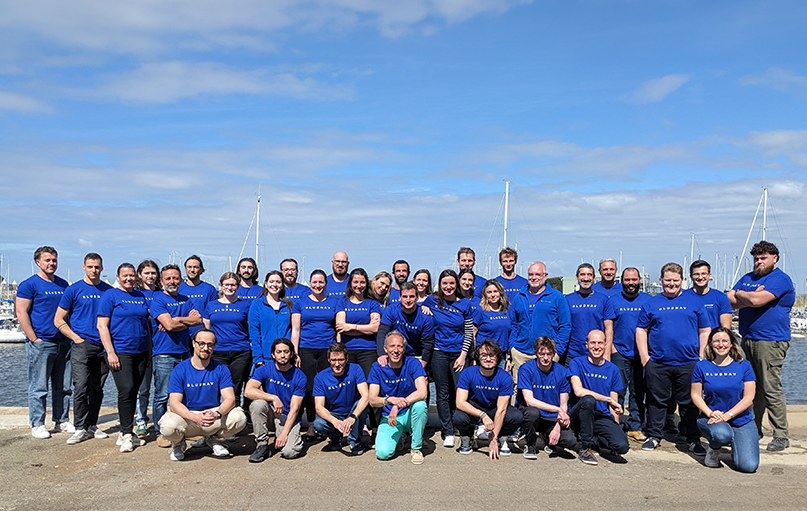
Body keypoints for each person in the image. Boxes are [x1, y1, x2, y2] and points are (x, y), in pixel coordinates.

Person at [728, 240, 795, 452]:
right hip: (747, 338)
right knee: (749, 386)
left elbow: (757, 302)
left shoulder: (781, 279)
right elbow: (730, 299)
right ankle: (753, 430)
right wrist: (748, 296)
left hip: (771, 341)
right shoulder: (748, 278)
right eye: (756, 258)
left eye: (763, 258)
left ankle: (781, 435)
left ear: (775, 258)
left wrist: (744, 296)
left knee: (769, 387)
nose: (759, 262)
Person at [636, 262, 710, 453]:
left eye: (675, 281)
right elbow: (641, 330)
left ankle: (692, 438)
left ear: (682, 280)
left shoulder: (694, 302)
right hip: (658, 363)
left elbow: (704, 330)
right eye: (668, 280)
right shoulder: (651, 303)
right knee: (656, 401)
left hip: (688, 362)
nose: (671, 284)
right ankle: (654, 435)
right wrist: (645, 357)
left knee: (689, 402)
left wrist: (701, 355)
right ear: (661, 280)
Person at [159, 329, 247, 461]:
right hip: (188, 416)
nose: (205, 348)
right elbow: (174, 403)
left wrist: (217, 413)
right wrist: (195, 417)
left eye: (210, 344)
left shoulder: (221, 369)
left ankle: (215, 440)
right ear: (193, 343)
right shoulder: (180, 369)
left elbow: (230, 399)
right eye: (201, 343)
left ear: (214, 346)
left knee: (239, 418)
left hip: (212, 415)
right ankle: (178, 444)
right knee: (168, 427)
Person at [54, 253, 113, 444]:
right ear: (84, 267)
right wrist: (75, 338)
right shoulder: (74, 290)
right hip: (82, 345)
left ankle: (92, 425)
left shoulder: (108, 291)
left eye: (97, 267)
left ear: (102, 268)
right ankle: (79, 427)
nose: (94, 270)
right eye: (90, 267)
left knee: (97, 388)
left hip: (103, 346)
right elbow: (58, 319)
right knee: (80, 386)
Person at [16, 246, 72, 439]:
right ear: (38, 262)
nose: (51, 264)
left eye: (54, 260)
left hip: (64, 342)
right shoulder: (29, 284)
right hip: (42, 342)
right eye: (47, 260)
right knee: (39, 386)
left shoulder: (64, 284)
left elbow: (68, 312)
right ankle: (38, 423)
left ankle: (62, 420)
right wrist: (33, 338)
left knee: (64, 386)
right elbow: (21, 312)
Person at [97, 263, 151, 452]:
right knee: (126, 390)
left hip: (141, 351)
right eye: (124, 275)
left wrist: (149, 353)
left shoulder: (140, 296)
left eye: (131, 275)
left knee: (134, 391)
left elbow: (147, 325)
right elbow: (102, 326)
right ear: (118, 277)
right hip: (121, 351)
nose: (128, 279)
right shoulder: (110, 296)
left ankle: (127, 432)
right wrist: (110, 352)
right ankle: (126, 433)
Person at [691, 327, 758, 472]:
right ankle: (714, 449)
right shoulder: (702, 366)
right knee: (722, 435)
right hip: (712, 418)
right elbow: (696, 395)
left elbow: (749, 397)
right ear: (710, 344)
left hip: (741, 419)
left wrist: (728, 416)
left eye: (725, 341)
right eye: (716, 341)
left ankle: (738, 446)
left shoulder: (744, 365)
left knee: (749, 466)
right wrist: (710, 413)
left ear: (732, 343)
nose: (721, 345)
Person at [148, 264, 202, 447]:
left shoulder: (186, 299)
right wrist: (181, 321)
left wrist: (176, 319)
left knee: (185, 394)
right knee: (162, 395)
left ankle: (185, 429)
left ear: (181, 280)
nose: (172, 281)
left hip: (185, 352)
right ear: (162, 281)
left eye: (176, 278)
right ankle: (160, 431)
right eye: (168, 278)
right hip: (164, 354)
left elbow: (198, 320)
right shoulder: (157, 300)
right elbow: (169, 326)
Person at [422, 269, 473, 448]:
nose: (448, 287)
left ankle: (460, 425)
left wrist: (463, 355)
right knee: (442, 393)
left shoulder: (465, 304)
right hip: (439, 352)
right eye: (445, 283)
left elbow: (468, 332)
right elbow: (420, 309)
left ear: (456, 284)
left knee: (460, 391)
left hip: (459, 354)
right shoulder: (432, 300)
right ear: (440, 285)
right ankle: (448, 431)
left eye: (452, 283)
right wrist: (424, 308)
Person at [603, 267, 651, 442]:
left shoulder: (648, 300)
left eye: (634, 280)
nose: (631, 283)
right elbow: (608, 328)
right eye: (627, 280)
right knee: (618, 391)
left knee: (639, 392)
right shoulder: (613, 301)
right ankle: (617, 424)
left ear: (639, 280)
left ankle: (635, 426)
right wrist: (610, 350)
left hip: (642, 353)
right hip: (619, 352)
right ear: (621, 280)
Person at [568, 330, 630, 465]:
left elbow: (614, 405)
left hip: (601, 416)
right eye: (593, 343)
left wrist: (616, 427)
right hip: (580, 414)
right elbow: (578, 391)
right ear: (587, 345)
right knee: (589, 399)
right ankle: (585, 448)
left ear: (605, 345)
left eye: (600, 343)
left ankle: (591, 439)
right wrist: (607, 399)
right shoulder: (576, 363)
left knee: (622, 446)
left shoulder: (613, 369)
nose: (596, 347)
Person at [367, 331, 428, 464]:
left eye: (399, 346)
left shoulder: (413, 363)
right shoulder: (377, 367)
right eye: (392, 346)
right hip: (390, 417)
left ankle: (416, 447)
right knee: (382, 454)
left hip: (409, 414)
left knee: (420, 405)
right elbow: (372, 400)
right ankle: (400, 436)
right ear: (385, 349)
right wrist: (388, 400)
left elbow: (423, 392)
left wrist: (398, 404)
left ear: (404, 349)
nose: (396, 350)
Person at [291, 269, 339, 439]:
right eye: (315, 282)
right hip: (306, 349)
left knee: (329, 386)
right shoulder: (300, 303)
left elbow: (337, 328)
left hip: (328, 350)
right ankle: (311, 424)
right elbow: (295, 330)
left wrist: (338, 349)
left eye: (321, 282)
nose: (318, 285)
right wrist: (295, 353)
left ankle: (331, 422)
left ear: (326, 284)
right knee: (309, 388)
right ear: (310, 284)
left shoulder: (334, 302)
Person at [454, 340, 522, 459]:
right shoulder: (468, 373)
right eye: (484, 355)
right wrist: (482, 415)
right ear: (478, 357)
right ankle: (467, 437)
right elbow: (460, 402)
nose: (488, 359)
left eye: (492, 355)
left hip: (494, 408)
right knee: (458, 417)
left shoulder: (505, 377)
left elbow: (501, 409)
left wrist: (493, 437)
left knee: (516, 417)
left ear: (498, 358)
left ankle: (501, 436)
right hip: (475, 408)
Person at [509, 261, 571, 388]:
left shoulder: (556, 296)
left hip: (547, 354)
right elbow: (514, 324)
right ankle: (519, 408)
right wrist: (512, 347)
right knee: (518, 387)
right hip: (521, 352)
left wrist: (558, 351)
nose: (534, 277)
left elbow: (565, 325)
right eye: (530, 274)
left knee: (546, 387)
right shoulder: (519, 297)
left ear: (545, 275)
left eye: (537, 274)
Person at [245, 338, 306, 461]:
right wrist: (273, 397)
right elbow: (248, 391)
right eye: (279, 352)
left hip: (286, 417)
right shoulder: (264, 370)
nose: (282, 355)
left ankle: (282, 437)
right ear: (273, 354)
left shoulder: (300, 376)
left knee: (290, 452)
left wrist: (284, 434)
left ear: (292, 354)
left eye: (286, 352)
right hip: (269, 414)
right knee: (258, 404)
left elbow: (294, 410)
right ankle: (262, 446)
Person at [518, 336, 577, 459]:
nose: (545, 358)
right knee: (531, 412)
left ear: (554, 354)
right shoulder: (526, 369)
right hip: (534, 415)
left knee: (570, 441)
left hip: (552, 418)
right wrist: (558, 410)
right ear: (535, 353)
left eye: (549, 354)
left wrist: (557, 426)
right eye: (542, 354)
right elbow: (529, 401)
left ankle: (548, 438)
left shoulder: (562, 372)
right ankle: (530, 443)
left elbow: (564, 404)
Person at [202, 272, 252, 410]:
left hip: (240, 351)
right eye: (227, 285)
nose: (230, 288)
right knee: (216, 385)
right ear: (221, 286)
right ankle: (214, 420)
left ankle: (232, 422)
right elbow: (207, 329)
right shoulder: (211, 305)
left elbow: (250, 326)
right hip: (217, 351)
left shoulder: (245, 305)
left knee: (235, 387)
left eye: (233, 285)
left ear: (237, 286)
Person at [313, 342, 370, 455]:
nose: (337, 364)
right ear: (328, 360)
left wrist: (352, 417)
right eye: (333, 360)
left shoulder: (355, 369)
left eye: (341, 360)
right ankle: (336, 437)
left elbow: (366, 395)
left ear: (347, 358)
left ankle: (354, 441)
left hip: (352, 410)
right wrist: (335, 422)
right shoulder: (320, 377)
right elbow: (318, 407)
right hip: (334, 413)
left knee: (363, 405)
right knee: (318, 423)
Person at [562, 263, 612, 363]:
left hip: (597, 353)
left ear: (594, 278)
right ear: (577, 277)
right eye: (582, 275)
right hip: (573, 354)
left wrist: (607, 353)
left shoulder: (603, 299)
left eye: (589, 275)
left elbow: (609, 329)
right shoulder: (567, 299)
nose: (586, 278)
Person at [376, 282, 434, 366]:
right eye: (405, 296)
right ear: (400, 297)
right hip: (395, 352)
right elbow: (382, 332)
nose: (408, 300)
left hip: (417, 355)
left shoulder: (425, 316)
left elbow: (428, 345)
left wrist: (422, 367)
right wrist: (382, 354)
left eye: (412, 296)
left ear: (417, 298)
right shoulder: (392, 310)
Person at [133, 259, 160, 438]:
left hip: (162, 346)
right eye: (147, 273)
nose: (150, 276)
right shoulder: (135, 294)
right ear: (140, 275)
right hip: (143, 346)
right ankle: (141, 420)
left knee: (162, 390)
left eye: (153, 273)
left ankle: (162, 420)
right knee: (142, 388)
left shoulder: (162, 294)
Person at [249, 270, 293, 368]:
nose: (274, 285)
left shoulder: (288, 305)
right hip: (265, 357)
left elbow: (294, 330)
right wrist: (258, 357)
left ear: (282, 285)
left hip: (285, 357)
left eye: (278, 282)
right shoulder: (257, 304)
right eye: (271, 281)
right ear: (266, 284)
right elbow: (254, 332)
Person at [472, 279, 512, 367]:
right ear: (485, 294)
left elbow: (510, 334)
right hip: (485, 356)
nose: (493, 295)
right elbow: (473, 333)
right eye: (489, 292)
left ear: (500, 293)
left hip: (501, 355)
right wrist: (474, 356)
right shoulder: (480, 310)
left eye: (495, 291)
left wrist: (509, 357)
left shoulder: (506, 310)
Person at [178, 255, 218, 338]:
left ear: (201, 269)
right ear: (185, 269)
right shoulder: (178, 288)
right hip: (181, 334)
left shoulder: (209, 289)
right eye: (189, 267)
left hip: (202, 335)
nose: (192, 270)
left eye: (195, 267)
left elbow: (214, 314)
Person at [687, 260, 732, 329]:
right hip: (691, 339)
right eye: (696, 274)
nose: (700, 277)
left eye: (703, 274)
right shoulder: (683, 297)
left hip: (713, 338)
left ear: (709, 275)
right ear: (691, 276)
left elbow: (726, 328)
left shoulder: (721, 297)